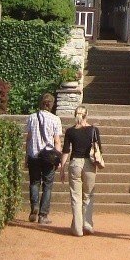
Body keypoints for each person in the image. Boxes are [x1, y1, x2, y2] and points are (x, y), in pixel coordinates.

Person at [60, 105, 100, 237]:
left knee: (75, 197)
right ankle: (87, 224)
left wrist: (62, 168)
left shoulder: (70, 131)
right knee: (88, 195)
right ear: (86, 115)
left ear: (75, 115)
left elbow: (66, 150)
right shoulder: (93, 130)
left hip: (75, 163)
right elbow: (99, 149)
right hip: (89, 163)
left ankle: (77, 228)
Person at [25, 92, 62, 224]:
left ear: (41, 103)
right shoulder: (55, 119)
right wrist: (58, 159)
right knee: (47, 185)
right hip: (48, 156)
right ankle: (43, 215)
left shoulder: (32, 117)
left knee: (34, 182)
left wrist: (26, 156)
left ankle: (34, 206)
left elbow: (28, 138)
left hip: (33, 154)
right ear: (51, 105)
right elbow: (57, 141)